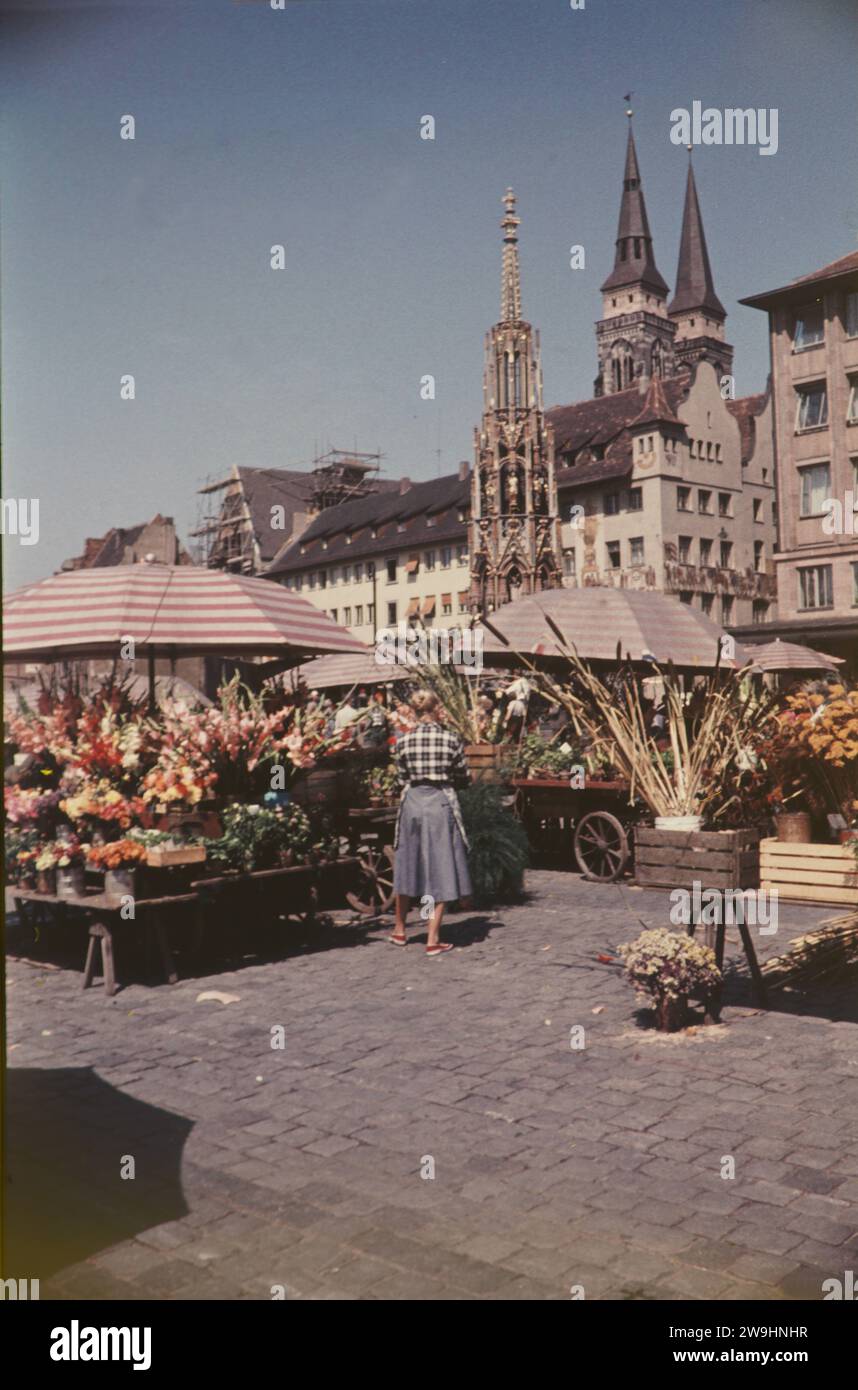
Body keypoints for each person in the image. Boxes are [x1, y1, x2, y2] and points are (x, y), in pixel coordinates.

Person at [391, 689, 472, 957]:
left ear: (414, 712)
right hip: (439, 801)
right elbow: (463, 774)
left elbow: (400, 777)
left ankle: (399, 930)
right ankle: (432, 938)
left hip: (412, 802)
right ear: (436, 709)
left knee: (408, 862)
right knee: (440, 865)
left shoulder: (403, 741)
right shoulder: (450, 739)